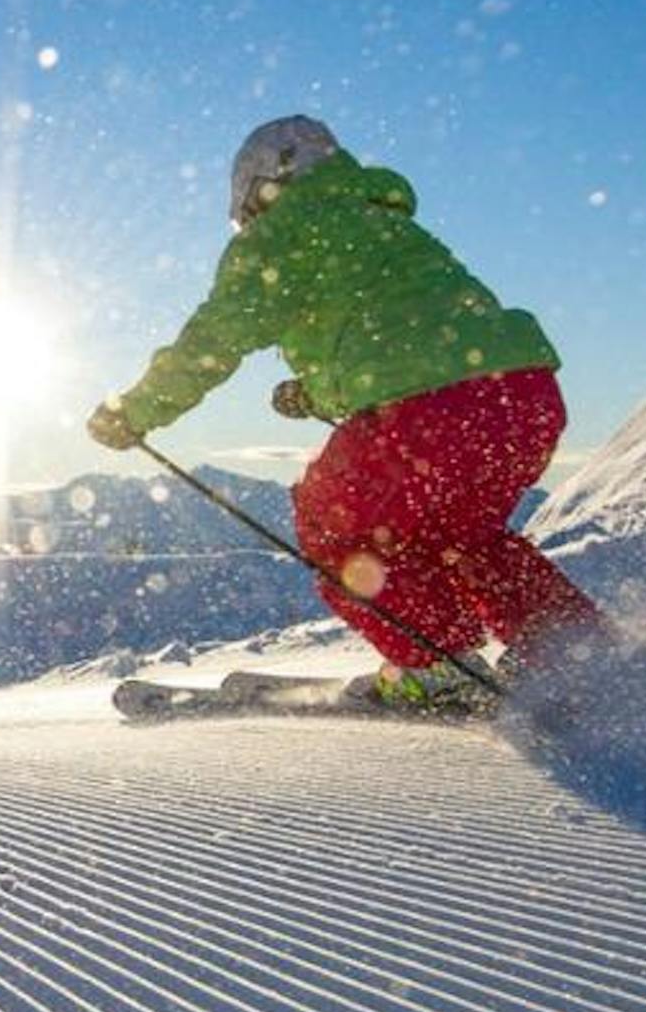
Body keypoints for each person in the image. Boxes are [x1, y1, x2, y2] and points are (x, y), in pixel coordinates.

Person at [86, 113, 606, 708]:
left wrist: (136, 409)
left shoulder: (283, 232)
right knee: (461, 536)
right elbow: (407, 335)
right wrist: (317, 395)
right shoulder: (382, 221)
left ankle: (437, 666)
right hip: (524, 398)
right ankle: (576, 653)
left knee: (333, 523)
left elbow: (217, 337)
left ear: (262, 184)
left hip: (435, 410)